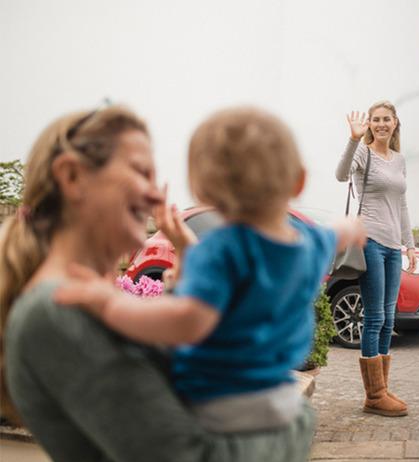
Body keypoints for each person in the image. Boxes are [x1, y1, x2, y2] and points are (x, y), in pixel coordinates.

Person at [0, 106, 315, 462]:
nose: (155, 195)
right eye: (141, 172)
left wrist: (189, 288)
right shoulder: (55, 311)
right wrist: (300, 424)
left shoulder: (76, 303)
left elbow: (165, 383)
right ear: (72, 176)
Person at [53, 106, 365, 433]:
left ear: (200, 190)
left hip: (218, 402)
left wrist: (108, 304)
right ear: (299, 182)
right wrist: (350, 227)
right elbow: (337, 234)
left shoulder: (219, 251)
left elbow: (186, 321)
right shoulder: (311, 242)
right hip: (278, 399)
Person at [336, 100, 415, 417]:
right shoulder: (363, 152)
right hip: (369, 241)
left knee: (389, 320)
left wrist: (409, 244)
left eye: (387, 119)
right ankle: (374, 395)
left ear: (395, 123)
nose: (381, 124)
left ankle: (381, 387)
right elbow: (341, 175)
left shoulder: (399, 159)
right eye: (375, 119)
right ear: (369, 124)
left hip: (394, 246)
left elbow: (403, 205)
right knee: (375, 318)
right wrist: (354, 138)